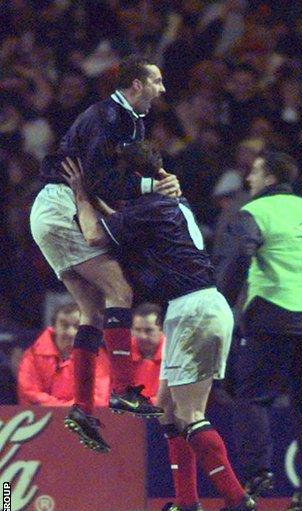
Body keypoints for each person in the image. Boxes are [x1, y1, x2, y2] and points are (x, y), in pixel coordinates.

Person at [61, 142, 256, 511]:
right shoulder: (168, 206)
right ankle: (186, 505)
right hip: (192, 308)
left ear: (134, 178)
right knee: (168, 409)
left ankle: (236, 498)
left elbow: (95, 235)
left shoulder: (150, 208)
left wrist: (83, 195)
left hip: (195, 309)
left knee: (189, 413)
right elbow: (123, 220)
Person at [30, 55, 181, 452]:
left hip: (58, 208)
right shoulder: (110, 117)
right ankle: (123, 387)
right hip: (64, 205)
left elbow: (105, 180)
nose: (162, 90)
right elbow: (96, 177)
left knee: (94, 311)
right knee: (121, 291)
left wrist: (154, 182)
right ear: (135, 85)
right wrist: (152, 188)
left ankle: (82, 407)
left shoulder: (129, 121)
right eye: (157, 82)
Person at [216, 151, 302, 511]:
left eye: (256, 172)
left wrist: (221, 303)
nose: (249, 180)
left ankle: (258, 472)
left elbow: (240, 256)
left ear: (271, 177)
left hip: (273, 316)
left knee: (253, 397)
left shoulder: (256, 212)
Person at [18, 302, 110, 408]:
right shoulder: (32, 356)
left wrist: (64, 409)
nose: (71, 332)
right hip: (41, 420)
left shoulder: (96, 356)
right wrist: (66, 408)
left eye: (77, 326)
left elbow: (100, 399)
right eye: (64, 325)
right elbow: (29, 394)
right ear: (54, 327)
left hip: (83, 421)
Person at [130, 303, 164, 405]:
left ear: (162, 329)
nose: (142, 336)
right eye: (137, 330)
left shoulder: (173, 356)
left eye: (149, 330)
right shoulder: (121, 353)